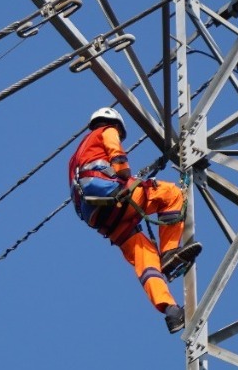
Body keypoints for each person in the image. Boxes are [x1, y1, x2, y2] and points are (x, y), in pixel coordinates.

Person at [67, 107, 202, 334]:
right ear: (116, 125)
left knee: (146, 261)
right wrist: (124, 174)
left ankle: (171, 311)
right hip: (114, 198)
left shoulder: (75, 158)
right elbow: (116, 154)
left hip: (103, 220)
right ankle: (170, 252)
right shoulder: (107, 130)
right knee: (170, 194)